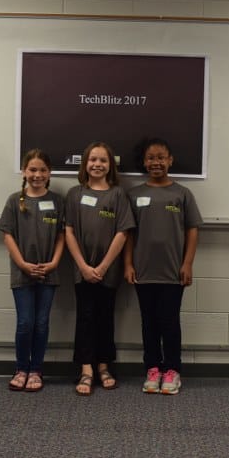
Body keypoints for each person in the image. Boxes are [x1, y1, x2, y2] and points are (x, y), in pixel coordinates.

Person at [124, 137, 202, 395]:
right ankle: (153, 368)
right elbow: (128, 234)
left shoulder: (182, 194)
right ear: (144, 162)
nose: (156, 162)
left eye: (161, 157)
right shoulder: (134, 195)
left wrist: (187, 263)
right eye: (151, 158)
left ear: (170, 160)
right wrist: (128, 263)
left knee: (169, 322)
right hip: (143, 272)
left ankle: (172, 370)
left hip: (173, 272)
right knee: (148, 323)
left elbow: (192, 230)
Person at [65, 141, 135, 396]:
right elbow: (69, 231)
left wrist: (104, 266)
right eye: (93, 159)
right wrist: (84, 267)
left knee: (105, 317)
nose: (97, 164)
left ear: (110, 165)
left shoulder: (118, 195)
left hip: (109, 271)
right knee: (85, 318)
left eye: (103, 160)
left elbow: (123, 232)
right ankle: (86, 369)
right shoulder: (74, 194)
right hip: (82, 271)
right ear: (85, 164)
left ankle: (104, 366)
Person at [0, 149, 65, 393]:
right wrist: (23, 265)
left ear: (50, 173)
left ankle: (36, 370)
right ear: (24, 172)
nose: (37, 175)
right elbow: (8, 236)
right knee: (25, 322)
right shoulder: (14, 200)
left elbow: (62, 236)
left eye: (43, 170)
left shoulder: (57, 201)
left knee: (42, 323)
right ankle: (21, 369)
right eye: (32, 169)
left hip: (49, 272)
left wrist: (54, 263)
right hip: (22, 272)